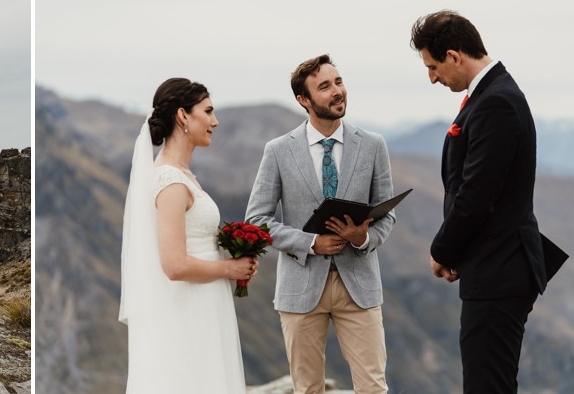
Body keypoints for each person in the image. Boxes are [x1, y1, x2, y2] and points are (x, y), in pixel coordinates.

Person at [410, 10, 568, 393]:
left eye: (432, 66)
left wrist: (441, 250)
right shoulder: (490, 94)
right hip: (495, 265)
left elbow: (477, 196)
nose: (432, 78)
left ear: (453, 55)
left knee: (486, 386)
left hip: (500, 268)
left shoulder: (496, 101)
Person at [245, 55, 396, 393]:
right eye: (325, 87)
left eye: (339, 82)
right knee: (307, 389)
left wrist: (362, 237)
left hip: (359, 287)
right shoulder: (279, 151)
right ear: (304, 100)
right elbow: (257, 220)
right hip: (300, 289)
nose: (337, 91)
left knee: (373, 387)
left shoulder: (373, 145)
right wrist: (310, 243)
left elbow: (388, 215)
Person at [118, 78, 257, 393]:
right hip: (189, 310)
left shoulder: (183, 176)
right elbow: (174, 264)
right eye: (207, 112)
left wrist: (235, 261)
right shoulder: (170, 182)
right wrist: (229, 269)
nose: (215, 121)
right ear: (183, 116)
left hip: (205, 303)